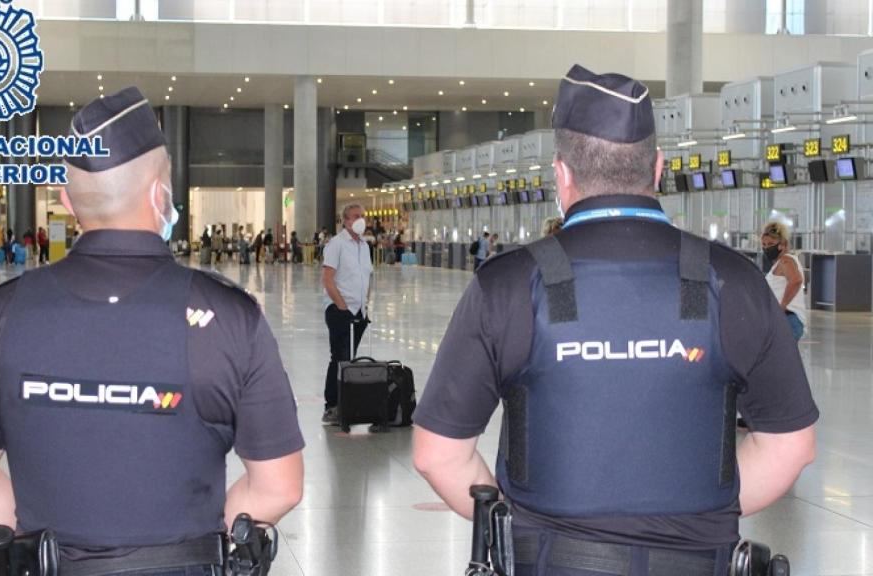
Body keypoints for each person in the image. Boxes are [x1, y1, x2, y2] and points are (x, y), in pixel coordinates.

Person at [412, 65, 818, 576]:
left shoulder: (511, 284)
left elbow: (437, 454)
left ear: (561, 176)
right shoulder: (730, 280)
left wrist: (514, 526)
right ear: (658, 168)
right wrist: (694, 525)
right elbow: (792, 445)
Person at [0, 87, 305, 576]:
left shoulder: (2, 314)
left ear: (67, 201)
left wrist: (45, 547)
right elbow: (279, 485)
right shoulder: (228, 317)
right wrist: (198, 540)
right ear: (160, 194)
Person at [320, 203, 373, 425]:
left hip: (359, 311)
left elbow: (367, 276)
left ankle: (346, 402)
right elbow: (328, 279)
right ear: (345, 220)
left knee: (349, 359)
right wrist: (341, 306)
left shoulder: (364, 246)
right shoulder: (337, 244)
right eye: (355, 216)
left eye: (362, 216)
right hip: (340, 310)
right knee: (339, 358)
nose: (360, 219)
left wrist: (366, 304)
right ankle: (331, 405)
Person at [761, 221, 807, 342]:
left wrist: (782, 305)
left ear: (783, 244)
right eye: (764, 244)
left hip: (788, 319)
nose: (766, 248)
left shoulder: (785, 260)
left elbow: (796, 281)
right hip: (782, 320)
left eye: (771, 244)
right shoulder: (779, 263)